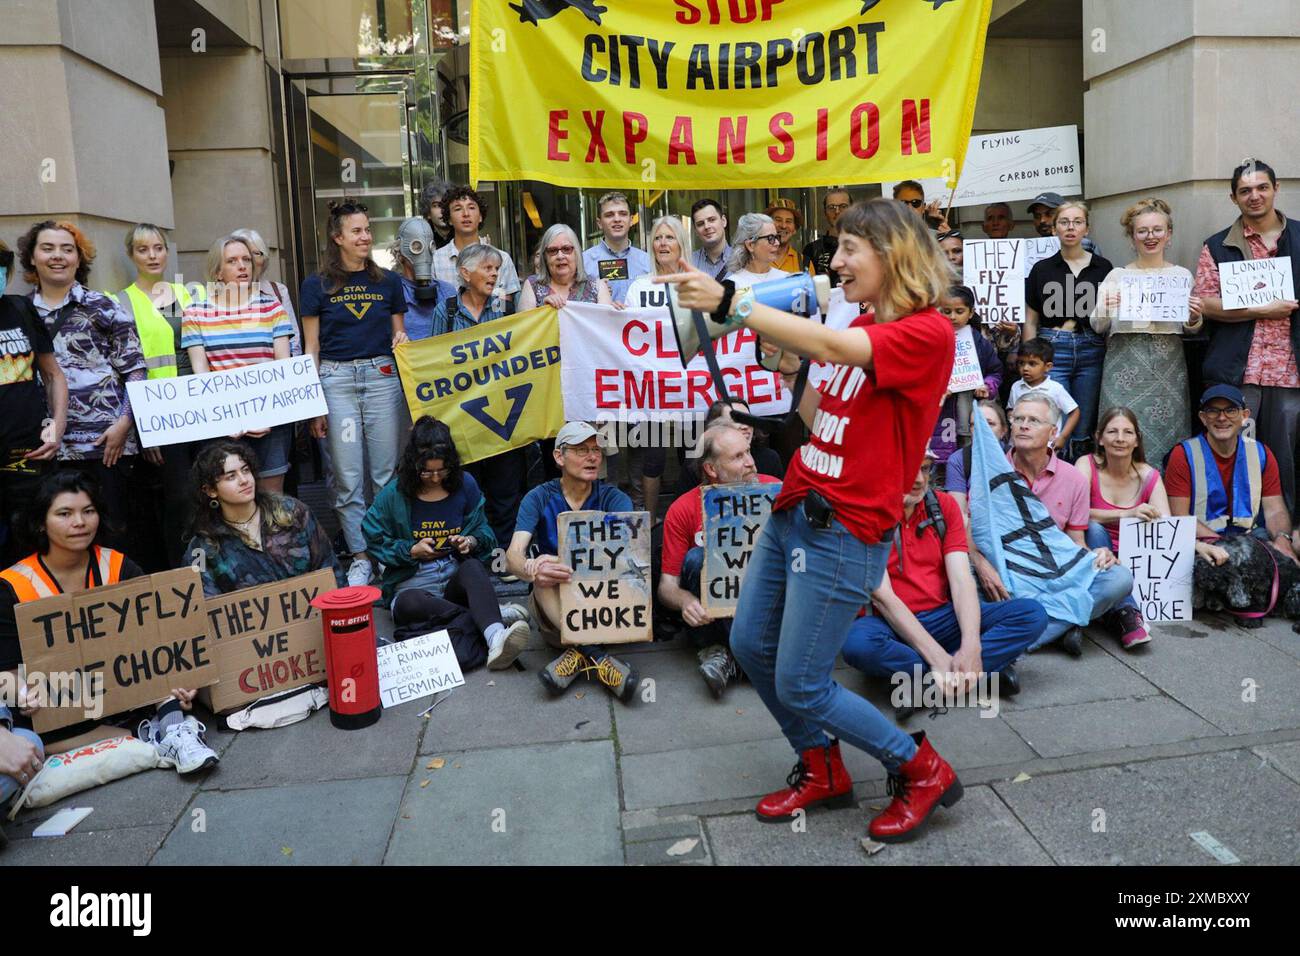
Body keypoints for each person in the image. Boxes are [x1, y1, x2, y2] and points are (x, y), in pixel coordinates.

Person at [660, 197, 963, 845]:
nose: (839, 260)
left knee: (802, 680)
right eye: (840, 247)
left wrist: (730, 301)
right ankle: (823, 767)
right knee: (748, 643)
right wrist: (793, 365)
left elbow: (831, 343)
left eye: (852, 248)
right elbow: (819, 411)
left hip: (847, 530)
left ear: (894, 255)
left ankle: (922, 768)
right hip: (798, 508)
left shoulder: (928, 332)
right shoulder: (857, 316)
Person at [1, 471, 218, 794]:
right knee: (33, 716)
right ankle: (141, 737)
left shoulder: (117, 566)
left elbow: (160, 635)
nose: (80, 522)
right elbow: (3, 671)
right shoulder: (12, 584)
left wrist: (182, 674)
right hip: (60, 701)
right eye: (65, 513)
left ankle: (172, 732)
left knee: (161, 663)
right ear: (40, 523)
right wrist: (20, 691)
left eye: (88, 511)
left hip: (124, 687)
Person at [842, 447, 1045, 714]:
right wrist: (938, 657)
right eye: (908, 469)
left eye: (925, 468)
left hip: (942, 616)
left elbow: (961, 581)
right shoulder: (864, 514)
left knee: (1032, 614)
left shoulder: (943, 506)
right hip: (889, 623)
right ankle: (978, 677)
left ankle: (923, 683)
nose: (919, 479)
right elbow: (883, 596)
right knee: (856, 645)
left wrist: (971, 645)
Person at [17, 220, 148, 561]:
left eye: (67, 249)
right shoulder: (19, 313)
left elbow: (136, 371)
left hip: (106, 447)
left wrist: (124, 425)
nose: (57, 256)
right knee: (53, 543)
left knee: (114, 536)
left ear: (79, 258)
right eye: (48, 248)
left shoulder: (103, 307)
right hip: (46, 451)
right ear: (32, 258)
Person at [300, 199, 409, 588]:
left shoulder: (389, 282)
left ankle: (386, 553)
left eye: (367, 230)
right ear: (338, 237)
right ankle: (361, 555)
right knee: (346, 476)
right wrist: (313, 404)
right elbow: (310, 347)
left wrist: (401, 338)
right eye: (357, 231)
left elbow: (400, 335)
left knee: (384, 474)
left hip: (381, 377)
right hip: (335, 381)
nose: (365, 237)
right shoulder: (316, 285)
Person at [363, 418, 530, 671]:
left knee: (473, 567)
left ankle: (497, 640)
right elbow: (372, 536)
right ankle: (489, 616)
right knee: (409, 603)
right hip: (413, 586)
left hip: (453, 580)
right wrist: (410, 550)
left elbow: (484, 532)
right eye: (426, 472)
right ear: (413, 465)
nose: (434, 478)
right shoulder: (394, 494)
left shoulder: (465, 484)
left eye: (442, 471)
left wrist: (470, 541)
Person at [1193, 159, 1300, 518]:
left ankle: (1286, 534)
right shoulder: (1217, 245)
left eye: (1261, 188)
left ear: (1275, 189)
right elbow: (1205, 301)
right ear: (1234, 197)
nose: (1254, 196)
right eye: (1245, 191)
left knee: (1288, 456)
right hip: (1238, 371)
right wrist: (1262, 310)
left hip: (1290, 371)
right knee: (1237, 454)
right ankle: (1240, 529)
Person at [507, 421, 641, 702]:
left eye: (596, 450)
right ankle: (599, 658)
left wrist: (559, 559)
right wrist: (531, 569)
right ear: (559, 457)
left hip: (606, 605)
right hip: (557, 607)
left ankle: (579, 654)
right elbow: (513, 556)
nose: (592, 457)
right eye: (581, 450)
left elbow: (628, 555)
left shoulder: (614, 498)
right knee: (544, 575)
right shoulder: (539, 497)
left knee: (554, 566)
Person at [1001, 391, 1136, 656]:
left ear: (1053, 432)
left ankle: (1036, 634)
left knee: (1119, 578)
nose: (1024, 425)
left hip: (1054, 573)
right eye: (1018, 419)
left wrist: (1097, 555)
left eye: (1033, 420)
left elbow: (1076, 541)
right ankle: (1064, 625)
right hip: (1008, 572)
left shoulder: (1073, 478)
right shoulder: (994, 473)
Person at [658, 422, 780, 698]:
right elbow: (666, 587)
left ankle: (732, 661)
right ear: (711, 469)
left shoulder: (776, 490)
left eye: (748, 452)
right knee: (695, 558)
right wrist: (685, 601)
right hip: (715, 617)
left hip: (768, 608)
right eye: (738, 457)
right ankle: (736, 655)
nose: (750, 463)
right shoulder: (683, 509)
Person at [112, 223, 203, 568]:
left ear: (168, 251)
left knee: (209, 493)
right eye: (142, 249)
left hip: (203, 408)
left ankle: (216, 574)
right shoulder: (121, 302)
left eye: (158, 248)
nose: (152, 255)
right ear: (131, 255)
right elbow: (125, 371)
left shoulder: (190, 294)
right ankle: (182, 576)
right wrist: (145, 430)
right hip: (162, 418)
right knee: (178, 501)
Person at [430, 244, 528, 554]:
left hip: (503, 414)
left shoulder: (506, 309)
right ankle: (471, 552)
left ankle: (502, 553)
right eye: (487, 268)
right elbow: (433, 362)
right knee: (466, 488)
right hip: (462, 418)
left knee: (505, 490)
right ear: (465, 273)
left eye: (496, 269)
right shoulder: (445, 311)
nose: (495, 273)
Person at [1091, 199, 1202, 470]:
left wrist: (1195, 316)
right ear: (1132, 237)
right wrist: (1106, 306)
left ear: (1169, 234)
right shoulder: (1117, 276)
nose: (1150, 237)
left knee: (1169, 431)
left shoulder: (1181, 275)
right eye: (1142, 231)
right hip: (1124, 367)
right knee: (1120, 428)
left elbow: (1190, 326)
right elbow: (1097, 324)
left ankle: (1165, 498)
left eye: (1157, 230)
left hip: (1168, 367)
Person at [182, 235, 296, 493]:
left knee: (271, 501)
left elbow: (283, 368)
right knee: (229, 502)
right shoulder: (196, 313)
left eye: (246, 259)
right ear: (217, 272)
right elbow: (202, 374)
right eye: (232, 261)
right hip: (222, 425)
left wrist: (269, 417)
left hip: (271, 422)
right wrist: (225, 421)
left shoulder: (272, 308)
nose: (243, 266)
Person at [185, 441, 345, 597]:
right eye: (231, 476)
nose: (244, 480)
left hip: (315, 617)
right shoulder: (203, 547)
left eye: (246, 470)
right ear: (211, 490)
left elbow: (330, 569)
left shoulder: (291, 512)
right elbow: (200, 607)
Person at [1165, 384, 1297, 566]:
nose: (1221, 417)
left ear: (1244, 416)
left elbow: (1275, 510)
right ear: (1203, 418)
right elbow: (1179, 515)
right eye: (1213, 411)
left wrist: (1283, 541)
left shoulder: (1261, 453)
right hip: (1204, 541)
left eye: (1231, 410)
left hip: (1251, 537)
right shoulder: (1182, 455)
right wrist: (1227, 546)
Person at [1024, 199, 1114, 459]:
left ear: (1087, 228)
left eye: (1077, 222)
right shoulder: (1042, 269)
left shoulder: (1103, 267)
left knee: (1083, 424)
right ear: (1055, 229)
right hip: (1053, 347)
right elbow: (1031, 319)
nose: (1070, 228)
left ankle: (1080, 484)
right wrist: (1031, 359)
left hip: (1091, 348)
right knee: (1056, 419)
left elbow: (1107, 318)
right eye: (1064, 222)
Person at [1075, 407, 1168, 648]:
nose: (1119, 438)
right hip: (1096, 552)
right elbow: (1074, 515)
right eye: (1112, 431)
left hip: (1135, 557)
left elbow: (1168, 527)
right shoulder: (1085, 465)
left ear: (1137, 440)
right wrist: (1126, 513)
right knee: (1094, 529)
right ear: (1099, 438)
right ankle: (1128, 615)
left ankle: (1113, 612)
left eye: (1127, 432)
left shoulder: (1150, 476)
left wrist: (1197, 544)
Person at [624, 216, 695, 519]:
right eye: (657, 238)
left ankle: (685, 517)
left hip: (692, 386)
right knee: (652, 458)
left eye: (669, 237)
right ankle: (651, 526)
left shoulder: (696, 285)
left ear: (682, 244)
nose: (663, 243)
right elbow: (624, 334)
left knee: (692, 457)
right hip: (651, 388)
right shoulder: (638, 287)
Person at [0, 294, 67, 566]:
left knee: (36, 546)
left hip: (28, 454)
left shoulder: (19, 308)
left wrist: (57, 425)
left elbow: (53, 374)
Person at [929, 286, 1002, 481]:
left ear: (971, 313)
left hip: (970, 410)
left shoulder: (980, 343)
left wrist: (987, 386)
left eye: (959, 311)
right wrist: (938, 388)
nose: (952, 317)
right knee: (940, 466)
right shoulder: (931, 341)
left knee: (971, 459)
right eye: (946, 311)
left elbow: (995, 371)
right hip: (942, 416)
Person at [431, 186, 521, 313]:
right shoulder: (436, 260)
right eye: (458, 209)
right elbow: (433, 308)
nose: (466, 214)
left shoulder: (502, 258)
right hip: (451, 331)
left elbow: (507, 310)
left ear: (480, 217)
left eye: (471, 207)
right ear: (449, 219)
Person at [231, 227, 302, 356]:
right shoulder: (220, 296)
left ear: (264, 260)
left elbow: (294, 342)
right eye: (242, 257)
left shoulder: (278, 291)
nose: (248, 262)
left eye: (255, 254)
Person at [390, 216, 458, 342]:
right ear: (400, 253)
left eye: (429, 247)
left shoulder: (447, 291)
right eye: (416, 247)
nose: (423, 254)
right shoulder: (392, 291)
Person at [519, 224, 613, 311]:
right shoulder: (532, 285)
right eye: (552, 250)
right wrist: (544, 310)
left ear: (577, 253)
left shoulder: (598, 286)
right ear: (545, 257)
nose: (560, 256)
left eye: (566, 249)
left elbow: (605, 325)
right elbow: (525, 326)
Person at [1008, 337, 1080, 448]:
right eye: (1021, 363)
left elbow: (1074, 412)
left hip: (1047, 446)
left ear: (1047, 367)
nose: (1025, 368)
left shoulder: (1055, 389)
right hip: (1020, 444)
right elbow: (1011, 410)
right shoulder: (1016, 387)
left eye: (1032, 364)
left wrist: (1063, 437)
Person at [581, 191, 651, 305]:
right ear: (599, 223)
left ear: (631, 220)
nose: (617, 219)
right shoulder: (584, 263)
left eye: (623, 214)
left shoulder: (648, 262)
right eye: (609, 215)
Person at [724, 213, 791, 288]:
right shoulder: (734, 285)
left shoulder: (787, 279)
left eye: (776, 237)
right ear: (750, 245)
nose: (777, 243)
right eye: (770, 238)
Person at [1026, 192, 1103, 254]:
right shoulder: (1030, 250)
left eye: (1049, 214)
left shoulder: (1084, 246)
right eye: (1037, 216)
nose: (1042, 220)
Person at [803, 188, 851, 286]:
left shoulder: (866, 246)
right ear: (825, 212)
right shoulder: (811, 250)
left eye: (843, 206)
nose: (837, 211)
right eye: (831, 207)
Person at [690, 198, 731, 278]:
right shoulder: (688, 263)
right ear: (695, 230)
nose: (707, 226)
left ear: (723, 221)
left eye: (712, 220)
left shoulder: (742, 260)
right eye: (700, 224)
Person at [765, 199, 803, 274]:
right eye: (778, 220)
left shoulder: (803, 262)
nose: (783, 226)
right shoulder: (754, 259)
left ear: (795, 229)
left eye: (788, 221)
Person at [419, 180, 455, 248]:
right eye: (436, 206)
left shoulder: (463, 233)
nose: (442, 210)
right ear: (428, 213)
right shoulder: (422, 238)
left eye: (446, 204)